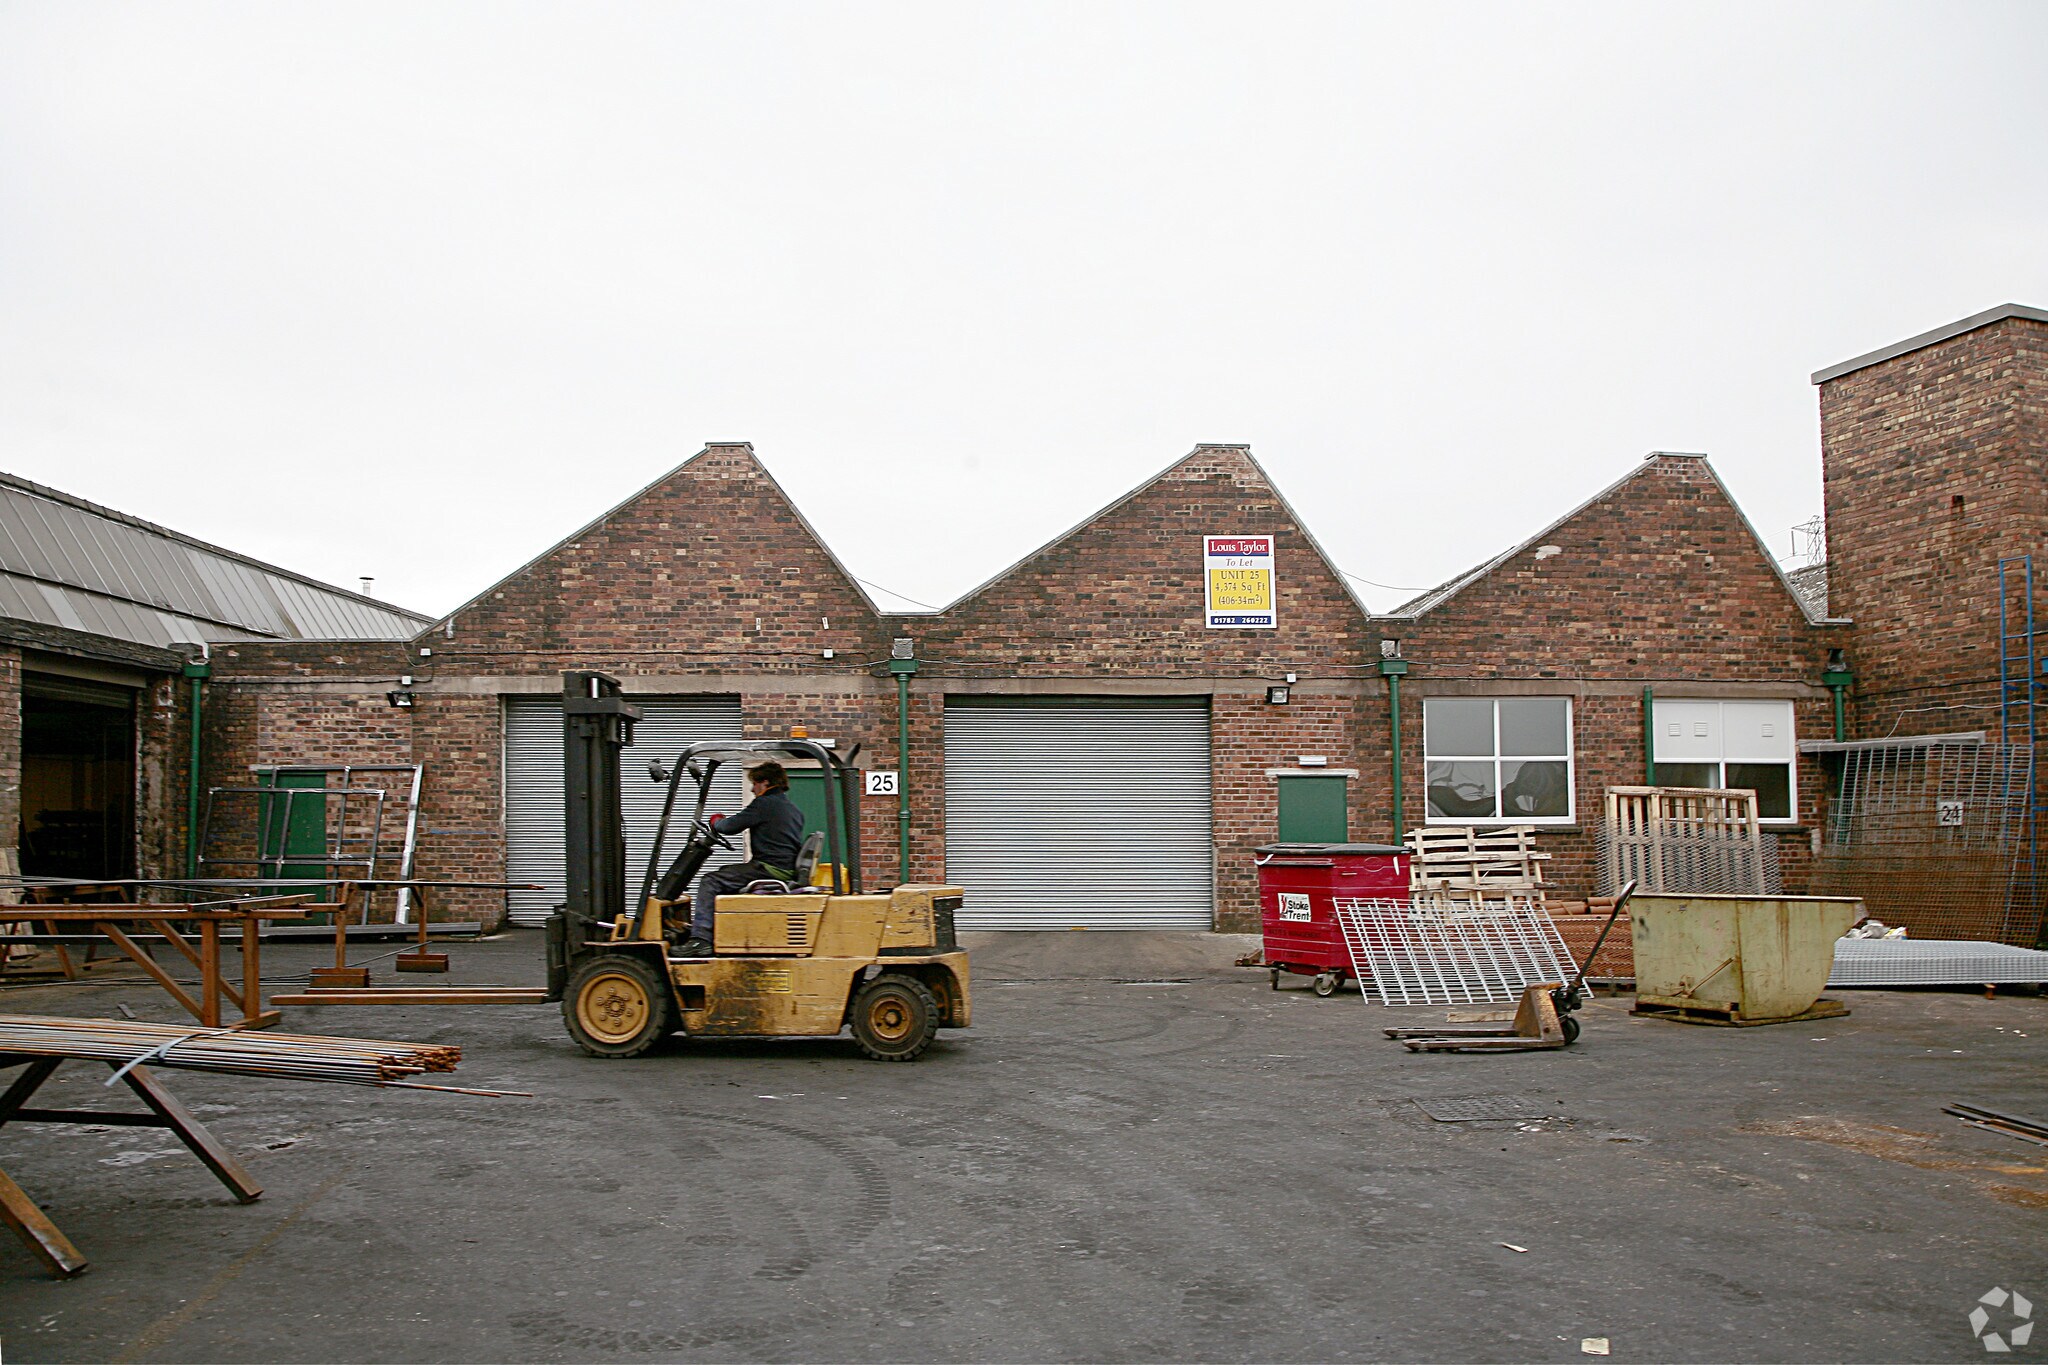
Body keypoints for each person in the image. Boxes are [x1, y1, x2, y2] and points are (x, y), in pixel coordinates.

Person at [675, 761, 806, 956]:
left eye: (754, 784)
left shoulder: (764, 804)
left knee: (710, 881)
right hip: (781, 866)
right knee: (725, 872)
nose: (752, 789)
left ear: (766, 783)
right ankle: (718, 931)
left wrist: (716, 820)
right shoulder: (793, 809)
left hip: (769, 868)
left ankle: (701, 939)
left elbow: (729, 827)